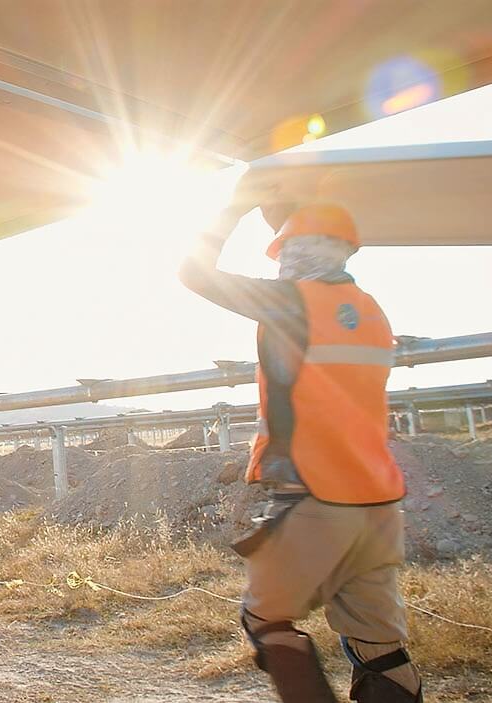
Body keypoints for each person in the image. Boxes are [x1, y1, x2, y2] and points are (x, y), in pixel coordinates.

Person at [179, 202, 422, 703]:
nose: (281, 263)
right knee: (379, 644)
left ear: (300, 254)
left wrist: (232, 207)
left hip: (315, 496)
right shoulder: (372, 310)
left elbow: (193, 273)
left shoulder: (293, 300)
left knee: (266, 618)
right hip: (377, 505)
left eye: (286, 252)